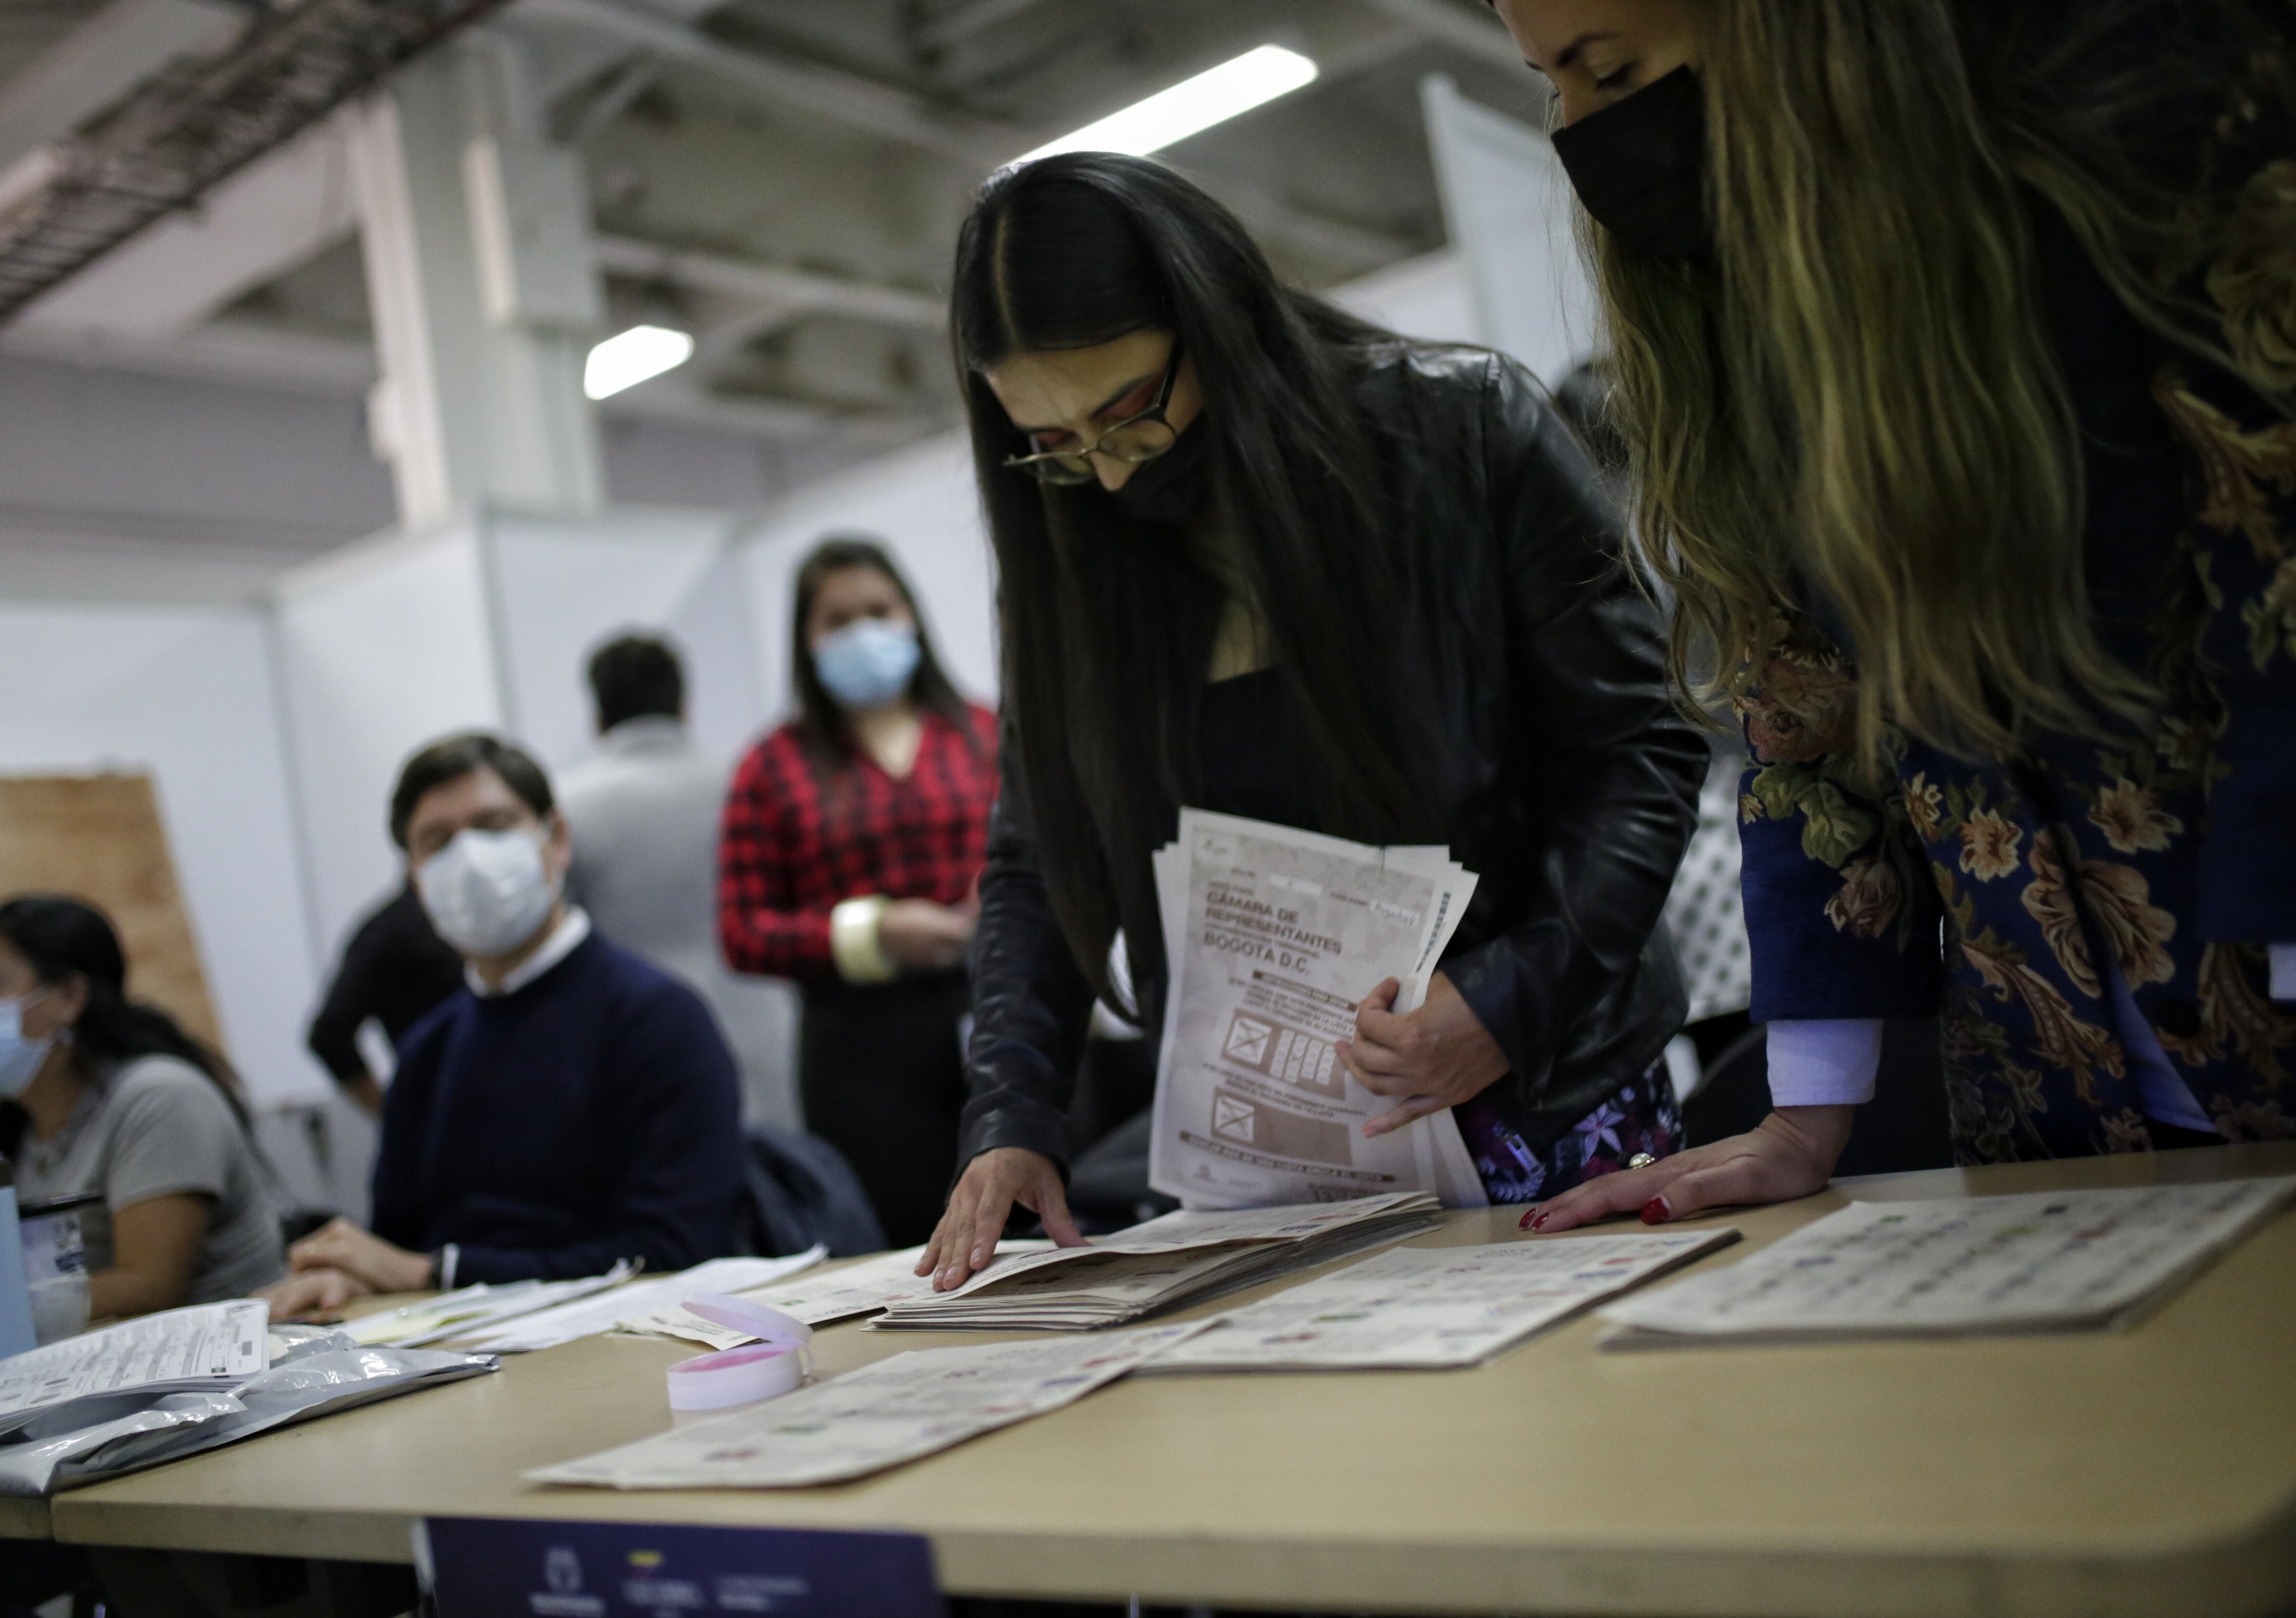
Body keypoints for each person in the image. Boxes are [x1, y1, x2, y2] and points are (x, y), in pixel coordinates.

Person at [1505, 0, 2296, 1234]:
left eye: (1609, 72)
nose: (1581, 132)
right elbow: (1802, 714)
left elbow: (2275, 580)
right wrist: (1803, 1111)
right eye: (1550, 86)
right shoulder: (1747, 322)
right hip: (2050, 1115)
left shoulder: (2132, 133)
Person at [918, 153, 1708, 1290]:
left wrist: (1508, 999)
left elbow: (1639, 745)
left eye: (1127, 413)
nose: (1111, 473)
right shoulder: (1072, 551)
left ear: (1212, 319)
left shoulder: (1460, 432)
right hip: (1273, 1164)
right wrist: (1011, 1112)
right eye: (1054, 443)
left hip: (1544, 1095)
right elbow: (1039, 857)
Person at [264, 732, 743, 1317]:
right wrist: (349, 1276)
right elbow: (394, 1250)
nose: (469, 859)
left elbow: (677, 1249)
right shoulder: (426, 1052)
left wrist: (438, 1273)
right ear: (415, 877)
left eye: (493, 826)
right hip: (454, 1346)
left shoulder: (657, 1019)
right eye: (436, 842)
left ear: (556, 839)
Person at [719, 537, 1000, 1248]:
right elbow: (743, 930)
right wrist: (870, 933)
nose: (864, 633)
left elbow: (1060, 855)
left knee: (1035, 1228)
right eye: (838, 620)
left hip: (999, 1014)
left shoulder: (982, 732)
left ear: (912, 615)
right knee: (905, 1248)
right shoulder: (771, 766)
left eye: (880, 611)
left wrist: (1006, 892)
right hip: (861, 1051)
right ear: (805, 639)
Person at [0, 895, 285, 1317]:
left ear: (69, 995)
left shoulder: (160, 1097)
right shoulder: (12, 1132)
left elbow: (148, 1287)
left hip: (239, 1345)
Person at [560, 630, 797, 1125]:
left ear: (596, 717)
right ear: (685, 706)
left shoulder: (566, 810)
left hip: (644, 1052)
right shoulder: (747, 781)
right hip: (770, 1039)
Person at [303, 880, 464, 1117]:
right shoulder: (391, 932)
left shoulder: (478, 916)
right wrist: (395, 1118)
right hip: (444, 1112)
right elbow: (330, 1035)